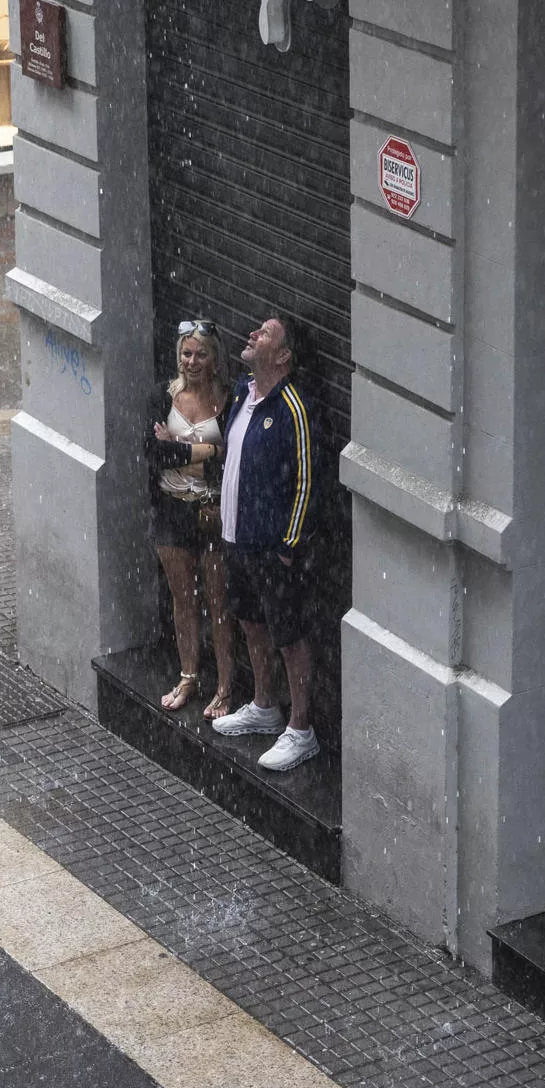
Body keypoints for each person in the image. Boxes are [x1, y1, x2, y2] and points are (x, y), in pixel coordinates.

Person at [211, 316, 319, 771]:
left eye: (265, 334)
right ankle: (263, 706)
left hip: (272, 546)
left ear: (282, 356)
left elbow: (308, 480)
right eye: (255, 329)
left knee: (289, 635)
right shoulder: (241, 392)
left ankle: (301, 730)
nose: (252, 334)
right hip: (236, 538)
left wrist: (288, 544)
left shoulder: (292, 407)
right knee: (251, 621)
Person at [147, 320, 238, 718]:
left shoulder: (229, 401)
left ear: (215, 359)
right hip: (172, 509)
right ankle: (188, 676)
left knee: (219, 602)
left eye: (201, 354)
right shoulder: (162, 397)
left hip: (213, 513)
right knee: (183, 598)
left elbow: (229, 465)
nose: (192, 361)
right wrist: (207, 452)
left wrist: (182, 448)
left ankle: (225, 686)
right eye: (186, 353)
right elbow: (154, 455)